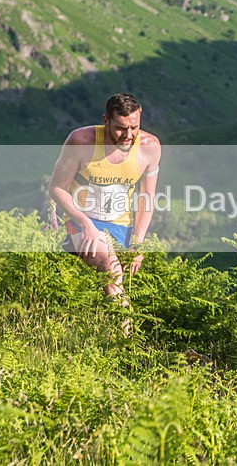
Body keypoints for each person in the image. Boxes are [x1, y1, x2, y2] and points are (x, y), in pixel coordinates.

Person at [49, 93, 161, 315]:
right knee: (111, 270)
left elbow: (147, 198)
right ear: (105, 120)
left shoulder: (150, 147)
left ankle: (102, 333)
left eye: (134, 127)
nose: (128, 135)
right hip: (83, 222)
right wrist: (86, 224)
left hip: (121, 226)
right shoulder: (81, 141)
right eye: (120, 128)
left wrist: (137, 244)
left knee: (122, 285)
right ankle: (127, 341)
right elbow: (56, 188)